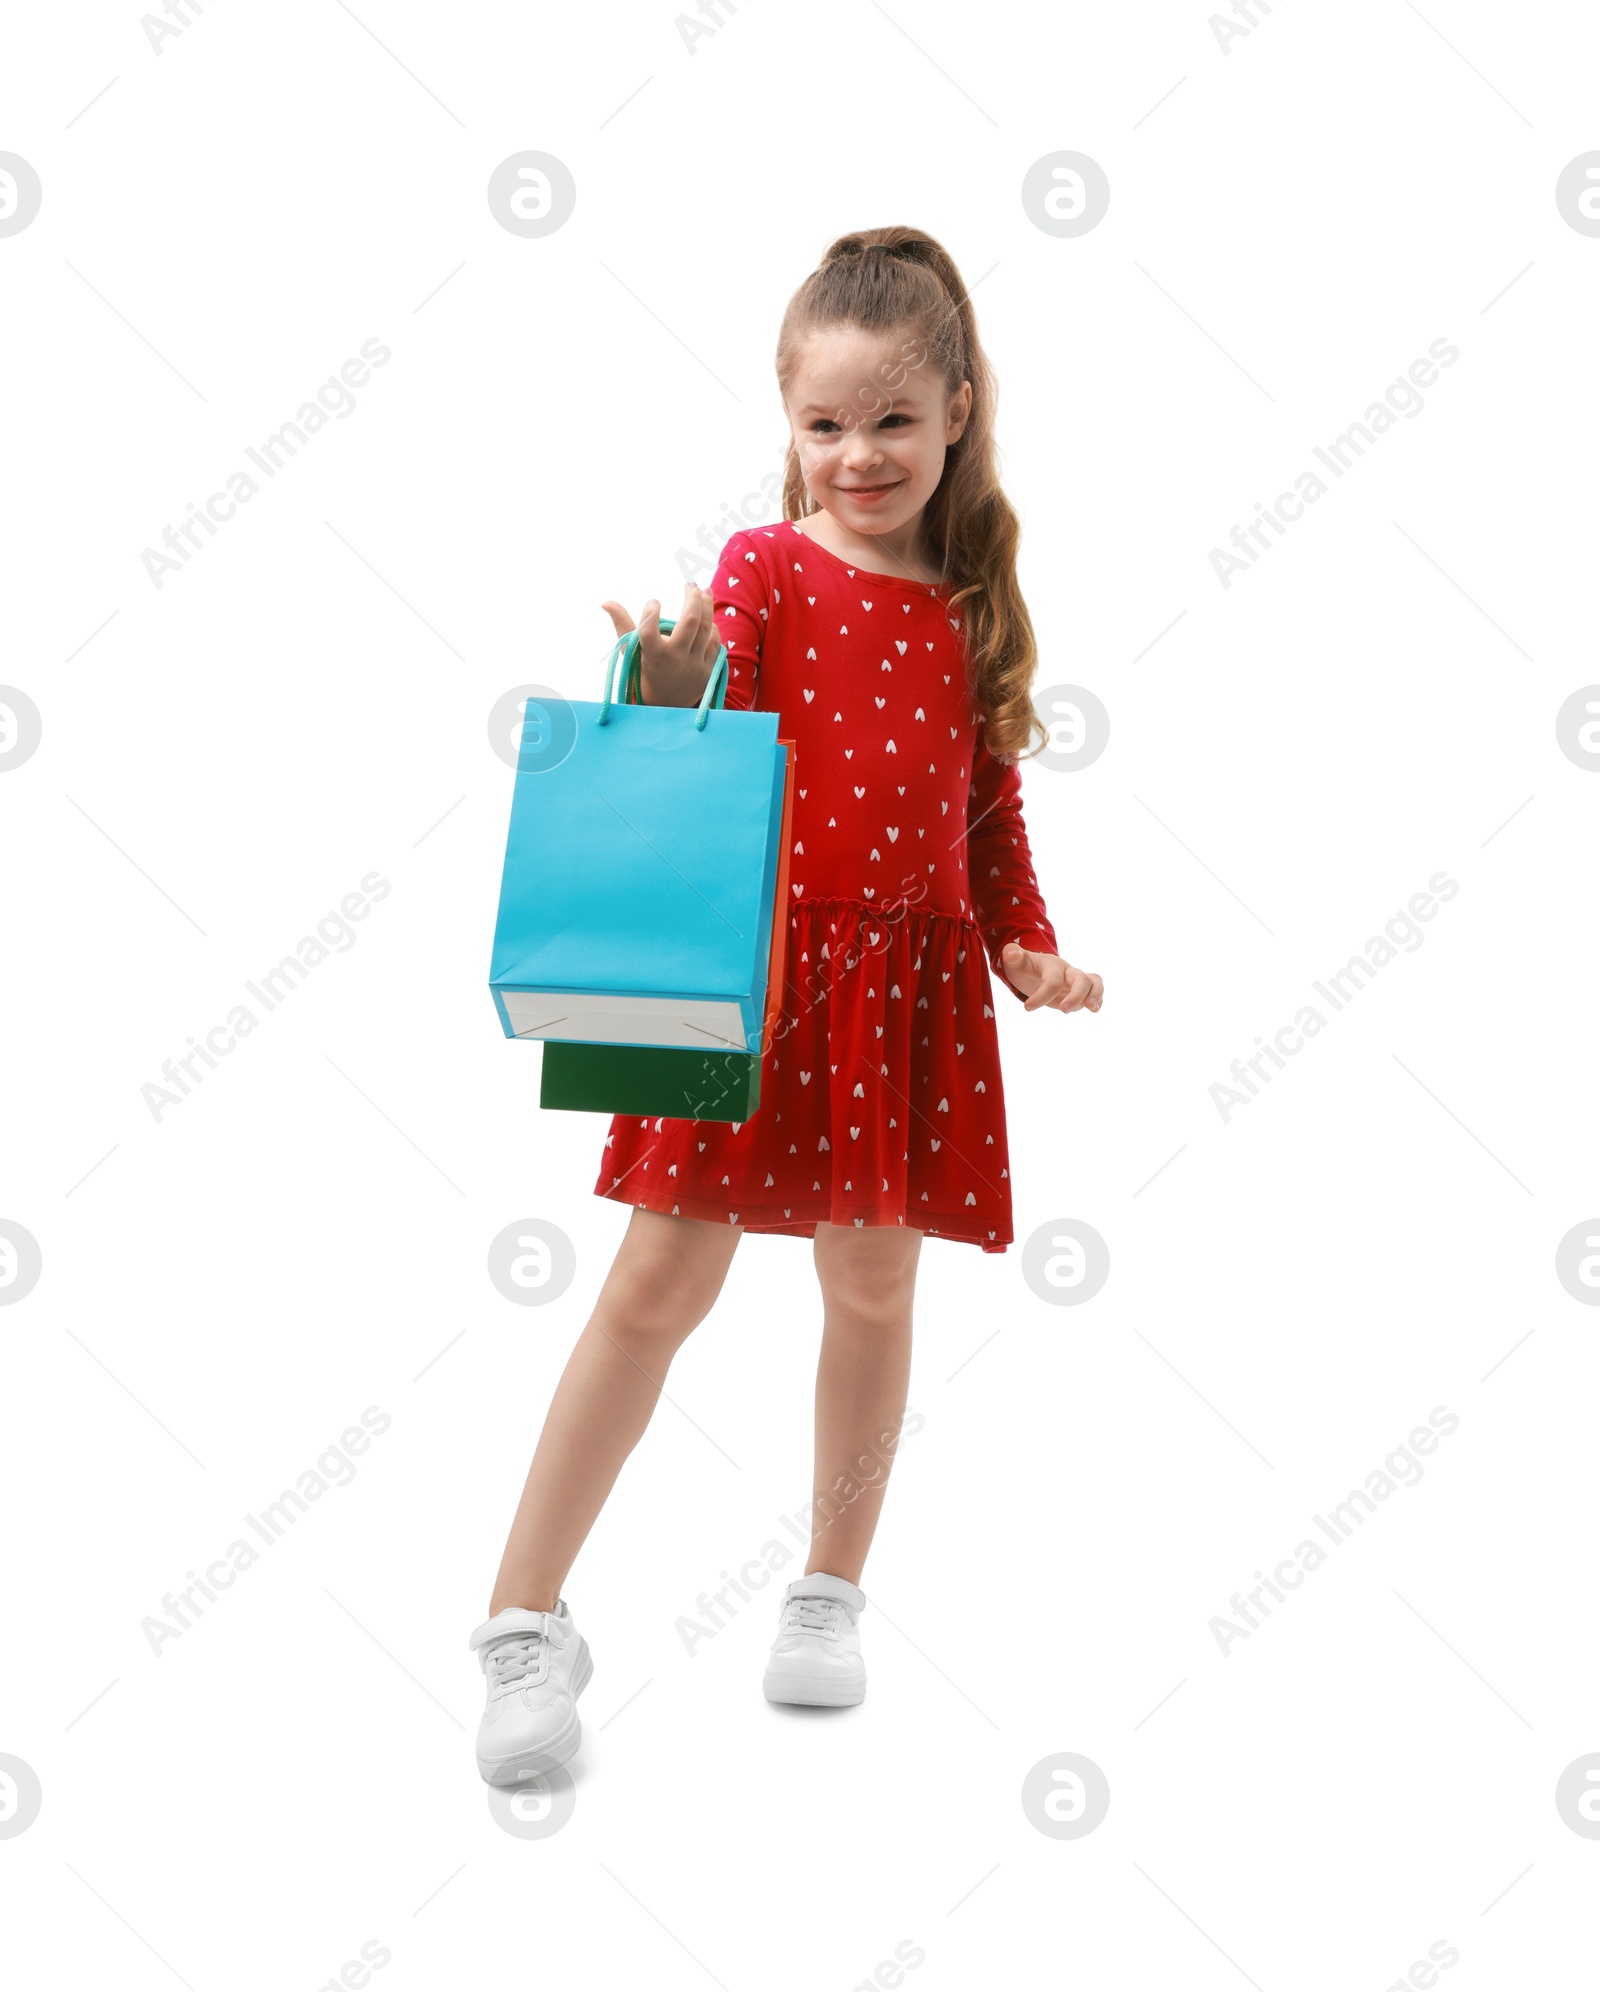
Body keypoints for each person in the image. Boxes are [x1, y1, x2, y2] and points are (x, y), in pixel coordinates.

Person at [469, 226, 1103, 1788]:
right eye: (825, 423)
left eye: (892, 419)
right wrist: (674, 675)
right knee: (652, 1289)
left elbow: (985, 817)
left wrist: (1027, 944)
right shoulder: (765, 566)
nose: (858, 454)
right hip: (750, 990)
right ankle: (522, 1617)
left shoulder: (968, 605)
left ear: (960, 409)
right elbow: (703, 748)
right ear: (786, 425)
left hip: (904, 998)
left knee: (874, 1289)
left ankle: (828, 1594)